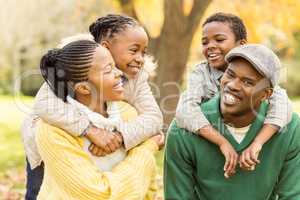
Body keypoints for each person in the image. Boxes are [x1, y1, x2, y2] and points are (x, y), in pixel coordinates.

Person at [22, 14, 163, 199]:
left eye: (143, 52)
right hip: (55, 144)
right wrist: (90, 130)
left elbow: (154, 117)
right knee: (41, 189)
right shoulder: (77, 61)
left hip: (105, 134)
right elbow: (44, 104)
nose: (140, 58)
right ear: (106, 47)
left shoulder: (136, 76)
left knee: (106, 182)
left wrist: (119, 136)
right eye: (134, 50)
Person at [164, 44, 300, 200]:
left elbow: (293, 195)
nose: (232, 85)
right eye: (230, 74)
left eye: (248, 82)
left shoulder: (291, 129)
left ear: (265, 94)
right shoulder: (183, 130)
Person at [175, 12, 292, 177]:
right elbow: (185, 110)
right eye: (204, 42)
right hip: (211, 143)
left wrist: (258, 143)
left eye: (219, 40)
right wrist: (222, 142)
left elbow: (282, 105)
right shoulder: (201, 72)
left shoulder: (260, 72)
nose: (210, 46)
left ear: (241, 44)